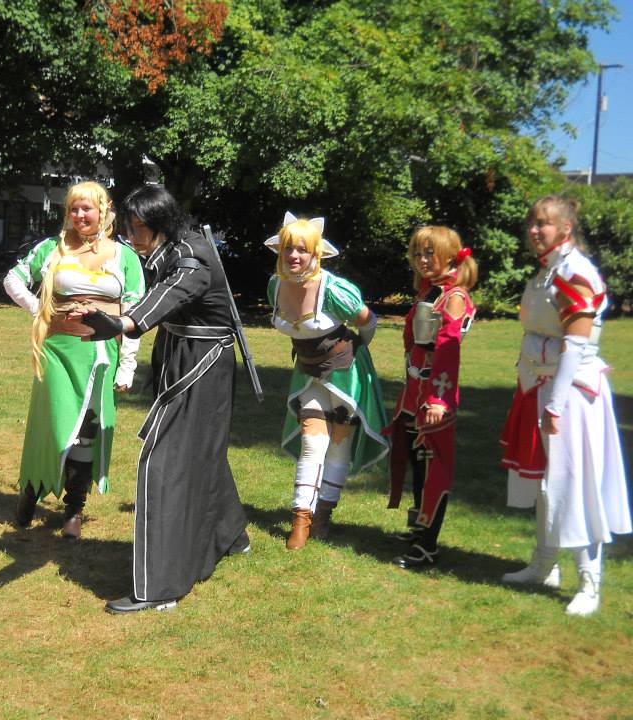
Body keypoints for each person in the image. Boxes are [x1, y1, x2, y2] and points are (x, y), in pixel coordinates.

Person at [75, 184, 250, 614]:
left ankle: (161, 585)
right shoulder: (170, 247)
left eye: (138, 227)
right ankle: (230, 534)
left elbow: (174, 291)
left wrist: (125, 323)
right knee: (201, 449)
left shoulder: (191, 257)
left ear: (162, 224)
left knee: (164, 461)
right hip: (181, 353)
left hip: (203, 364)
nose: (131, 235)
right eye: (129, 226)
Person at [499, 195, 630, 615]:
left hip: (571, 394)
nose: (535, 230)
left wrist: (554, 406)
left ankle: (590, 581)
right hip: (540, 386)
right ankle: (544, 564)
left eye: (544, 223)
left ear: (566, 228)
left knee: (576, 483)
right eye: (533, 222)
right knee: (544, 482)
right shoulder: (547, 270)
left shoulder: (576, 272)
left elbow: (576, 343)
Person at [3, 181, 144, 539]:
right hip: (58, 350)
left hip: (102, 353)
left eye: (87, 208)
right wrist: (40, 310)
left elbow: (135, 311)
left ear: (104, 211)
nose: (80, 215)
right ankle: (31, 489)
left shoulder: (124, 256)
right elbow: (13, 280)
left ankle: (74, 508)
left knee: (88, 429)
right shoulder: (52, 248)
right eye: (74, 208)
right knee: (52, 423)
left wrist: (128, 363)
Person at [265, 213, 388, 550]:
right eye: (288, 248)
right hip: (307, 371)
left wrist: (359, 347)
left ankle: (322, 516)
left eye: (302, 249)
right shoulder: (276, 286)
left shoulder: (334, 289)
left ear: (316, 253)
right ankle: (300, 520)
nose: (294, 255)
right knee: (312, 441)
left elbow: (367, 321)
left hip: (346, 372)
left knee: (339, 441)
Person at [385, 226, 477, 568]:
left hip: (434, 395)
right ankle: (418, 532)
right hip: (414, 392)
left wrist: (439, 399)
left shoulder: (454, 296)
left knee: (432, 470)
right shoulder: (430, 291)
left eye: (429, 253)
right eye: (417, 253)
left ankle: (427, 546)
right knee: (417, 465)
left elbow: (448, 352)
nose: (422, 260)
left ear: (450, 256)